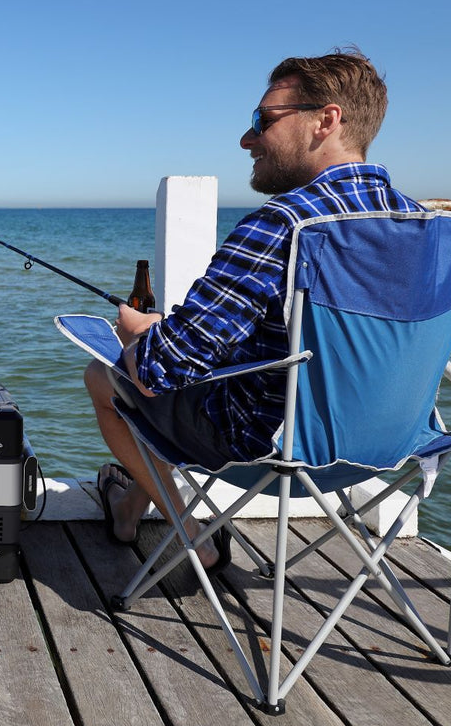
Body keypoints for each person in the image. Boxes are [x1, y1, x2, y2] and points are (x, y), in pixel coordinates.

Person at [87, 48, 421, 569]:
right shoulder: (431, 228)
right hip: (393, 446)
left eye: (263, 120)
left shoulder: (285, 223)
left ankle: (188, 528)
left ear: (325, 121)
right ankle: (132, 503)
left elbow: (159, 370)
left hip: (271, 448)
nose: (248, 139)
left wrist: (139, 334)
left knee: (106, 376)